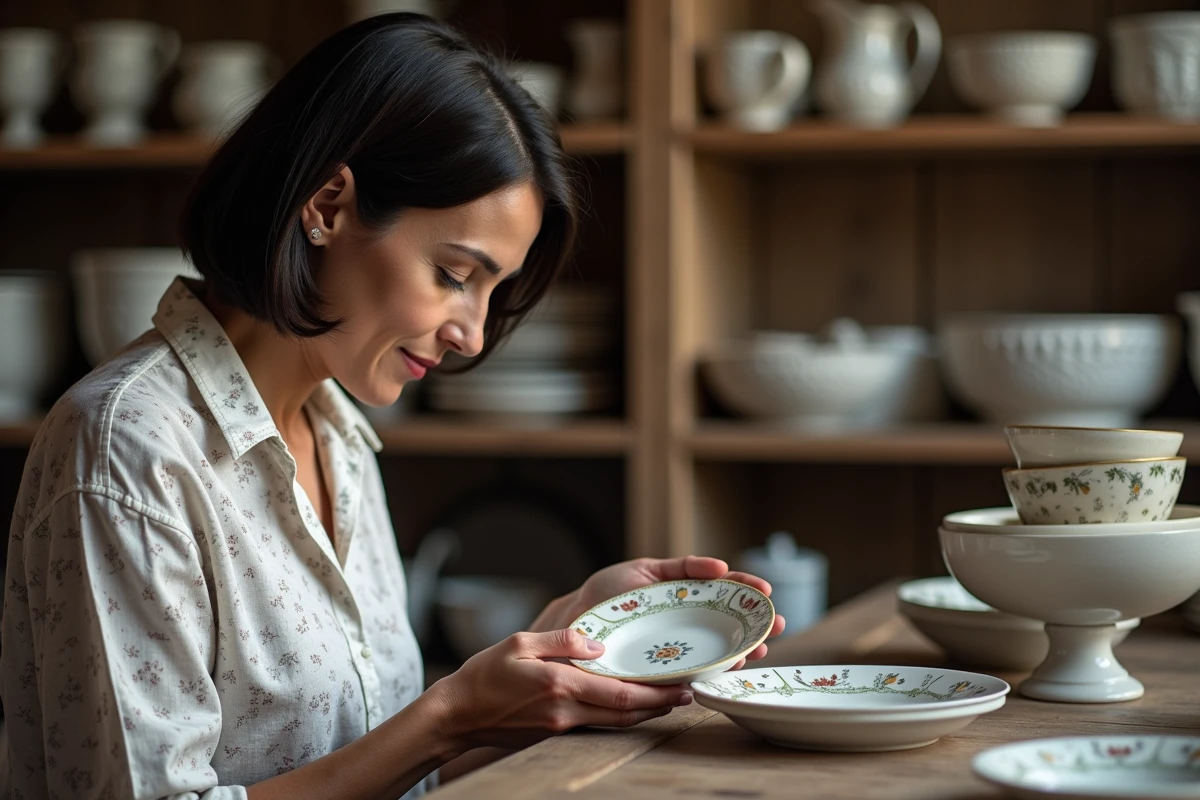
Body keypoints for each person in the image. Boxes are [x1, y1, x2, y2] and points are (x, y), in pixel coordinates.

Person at [0, 13, 785, 800]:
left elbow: (388, 771)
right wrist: (449, 713)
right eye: (454, 273)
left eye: (494, 291)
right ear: (329, 205)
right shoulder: (125, 446)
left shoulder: (337, 433)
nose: (473, 337)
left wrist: (567, 634)